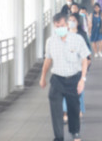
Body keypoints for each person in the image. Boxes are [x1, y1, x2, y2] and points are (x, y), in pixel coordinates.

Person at [39, 13, 90, 141]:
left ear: (67, 25)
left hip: (73, 78)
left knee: (73, 107)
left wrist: (82, 79)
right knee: (55, 109)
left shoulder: (77, 39)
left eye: (61, 25)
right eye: (57, 26)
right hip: (57, 79)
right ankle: (59, 136)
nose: (59, 29)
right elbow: (48, 60)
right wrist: (43, 77)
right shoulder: (50, 41)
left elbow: (85, 59)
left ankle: (75, 132)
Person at [63, 13, 92, 123]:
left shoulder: (82, 35)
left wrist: (87, 63)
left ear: (78, 22)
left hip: (79, 66)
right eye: (69, 20)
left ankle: (79, 108)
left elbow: (87, 52)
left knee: (79, 89)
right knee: (65, 89)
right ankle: (65, 111)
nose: (71, 22)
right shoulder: (64, 34)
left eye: (73, 20)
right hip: (66, 66)